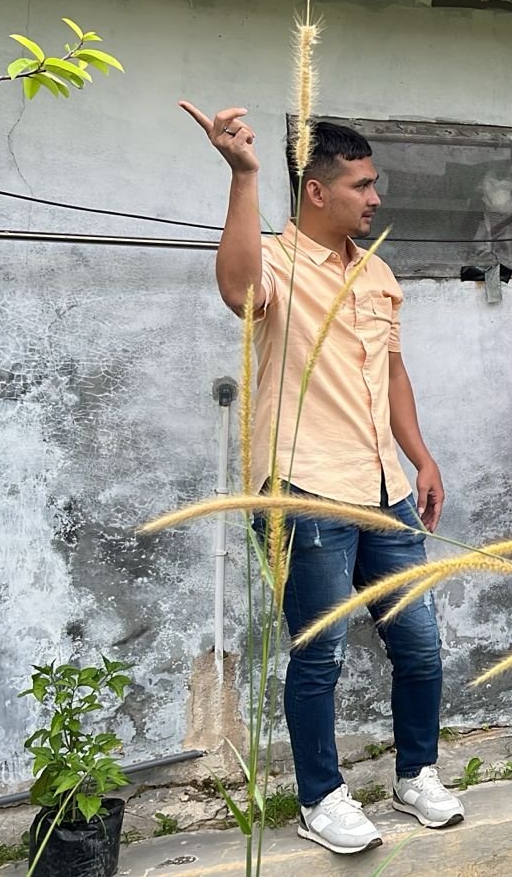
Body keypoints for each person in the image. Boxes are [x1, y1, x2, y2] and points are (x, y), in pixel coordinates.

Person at [181, 103, 464, 852]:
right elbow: (239, 293)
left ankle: (416, 774)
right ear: (317, 190)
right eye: (362, 185)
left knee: (420, 645)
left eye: (375, 184)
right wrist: (243, 176)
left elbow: (393, 373)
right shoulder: (275, 259)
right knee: (321, 652)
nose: (375, 197)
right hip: (304, 486)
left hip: (384, 488)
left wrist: (421, 456)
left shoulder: (378, 271)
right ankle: (321, 797)